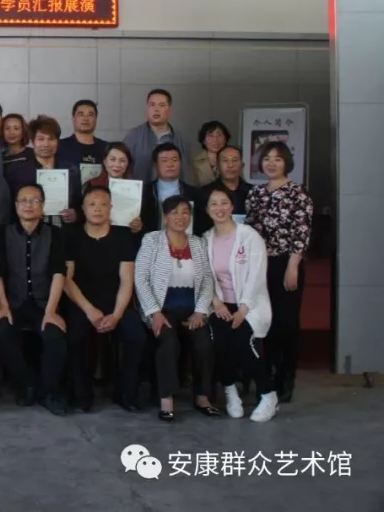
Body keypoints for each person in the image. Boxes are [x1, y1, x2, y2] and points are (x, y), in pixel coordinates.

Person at [134, 195, 218, 421]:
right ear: (165, 217)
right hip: (162, 309)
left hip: (192, 310)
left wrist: (201, 311)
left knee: (204, 344)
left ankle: (203, 397)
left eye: (185, 212)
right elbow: (140, 279)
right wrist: (154, 312)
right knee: (169, 343)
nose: (180, 217)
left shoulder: (198, 243)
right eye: (174, 212)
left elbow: (207, 280)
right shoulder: (152, 240)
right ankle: (166, 400)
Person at [63, 186, 145, 412]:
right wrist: (89, 310)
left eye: (103, 204)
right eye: (92, 204)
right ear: (83, 209)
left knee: (136, 336)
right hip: (82, 302)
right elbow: (67, 280)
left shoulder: (123, 236)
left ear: (111, 208)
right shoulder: (71, 235)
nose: (97, 209)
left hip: (117, 302)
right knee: (75, 337)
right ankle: (82, 395)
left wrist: (116, 315)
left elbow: (127, 280)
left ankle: (126, 394)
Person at [0, 183, 68, 415]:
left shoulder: (56, 234)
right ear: (16, 206)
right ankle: (27, 384)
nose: (29, 205)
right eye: (23, 200)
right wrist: (3, 306)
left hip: (44, 302)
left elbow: (59, 273)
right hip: (13, 302)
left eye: (35, 201)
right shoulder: (2, 234)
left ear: (43, 207)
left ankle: (47, 392)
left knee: (55, 336)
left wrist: (52, 311)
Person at [244, 141, 313, 404]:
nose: (271, 163)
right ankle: (269, 375)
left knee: (287, 323)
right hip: (260, 264)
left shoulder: (298, 193)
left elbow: (302, 231)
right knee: (265, 320)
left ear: (287, 163)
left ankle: (286, 377)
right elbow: (249, 231)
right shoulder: (255, 194)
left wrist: (293, 265)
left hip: (287, 263)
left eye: (277, 159)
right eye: (267, 158)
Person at [203, 189, 277, 422]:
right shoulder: (206, 239)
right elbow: (205, 276)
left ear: (232, 207)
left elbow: (257, 275)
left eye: (224, 202)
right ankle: (230, 391)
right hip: (219, 304)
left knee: (243, 341)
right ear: (207, 209)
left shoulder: (249, 236)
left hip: (249, 303)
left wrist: (243, 309)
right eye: (214, 204)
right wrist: (216, 303)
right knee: (218, 340)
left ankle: (268, 394)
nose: (219, 208)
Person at [8, 115, 80, 228]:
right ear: (33, 142)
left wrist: (76, 214)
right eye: (41, 139)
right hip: (31, 230)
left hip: (64, 230)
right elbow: (10, 207)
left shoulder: (71, 170)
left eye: (51, 139)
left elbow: (79, 202)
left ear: (57, 141)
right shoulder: (18, 172)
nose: (46, 144)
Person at [122, 88, 195, 183]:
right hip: (141, 190)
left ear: (169, 110)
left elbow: (187, 172)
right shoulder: (133, 136)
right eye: (152, 105)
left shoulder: (181, 139)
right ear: (147, 109)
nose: (156, 109)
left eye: (161, 105)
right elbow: (123, 168)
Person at [138, 142, 199, 234]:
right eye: (164, 160)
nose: (170, 164)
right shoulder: (144, 192)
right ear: (155, 165)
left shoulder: (193, 193)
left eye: (175, 160)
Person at [194, 144, 251, 235]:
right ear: (217, 165)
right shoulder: (204, 193)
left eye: (235, 160)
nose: (230, 165)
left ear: (242, 165)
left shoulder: (253, 192)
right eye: (225, 160)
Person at [58, 99, 110, 182]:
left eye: (90, 115)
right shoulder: (60, 146)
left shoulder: (107, 148)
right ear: (73, 119)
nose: (85, 118)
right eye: (81, 114)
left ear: (96, 119)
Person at [192, 120, 231, 186]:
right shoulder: (194, 162)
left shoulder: (233, 159)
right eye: (211, 136)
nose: (215, 140)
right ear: (203, 140)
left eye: (219, 135)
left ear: (225, 138)